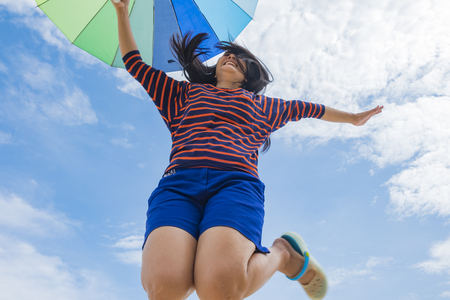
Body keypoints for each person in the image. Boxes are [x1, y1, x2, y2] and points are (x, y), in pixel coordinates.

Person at [111, 1, 383, 300]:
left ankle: (282, 253)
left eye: (240, 59)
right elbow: (135, 64)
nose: (231, 57)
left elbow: (311, 109)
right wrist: (122, 12)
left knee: (218, 291)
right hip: (178, 187)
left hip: (235, 186)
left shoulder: (264, 107)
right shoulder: (181, 94)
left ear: (249, 75)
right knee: (164, 290)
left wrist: (353, 118)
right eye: (228, 55)